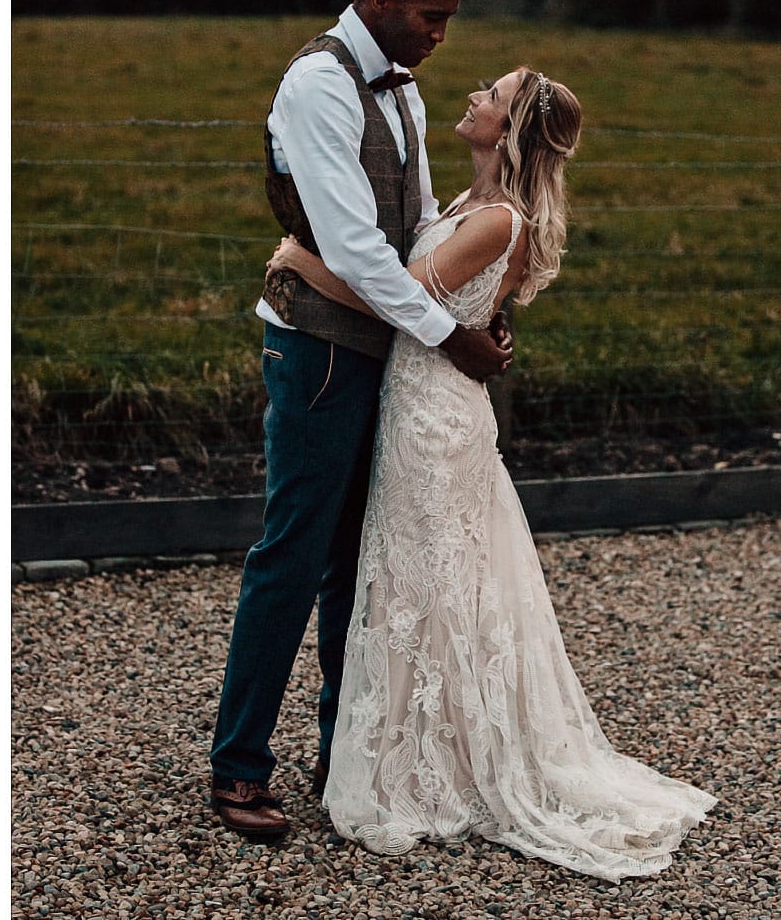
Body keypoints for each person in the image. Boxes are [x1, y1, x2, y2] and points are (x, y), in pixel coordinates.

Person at [269, 67, 715, 879]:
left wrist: (296, 262)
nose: (474, 94)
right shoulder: (465, 208)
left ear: (508, 130)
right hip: (420, 404)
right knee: (422, 586)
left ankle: (432, 762)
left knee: (426, 583)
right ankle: (426, 745)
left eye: (492, 93)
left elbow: (399, 300)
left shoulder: (496, 219)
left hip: (435, 420)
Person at [209, 0, 510, 841]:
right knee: (292, 554)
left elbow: (417, 227)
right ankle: (238, 767)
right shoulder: (320, 83)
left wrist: (477, 298)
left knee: (358, 559)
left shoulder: (405, 90)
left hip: (389, 348)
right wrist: (449, 336)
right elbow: (350, 247)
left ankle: (345, 752)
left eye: (449, 18)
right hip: (320, 349)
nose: (441, 37)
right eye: (430, 16)